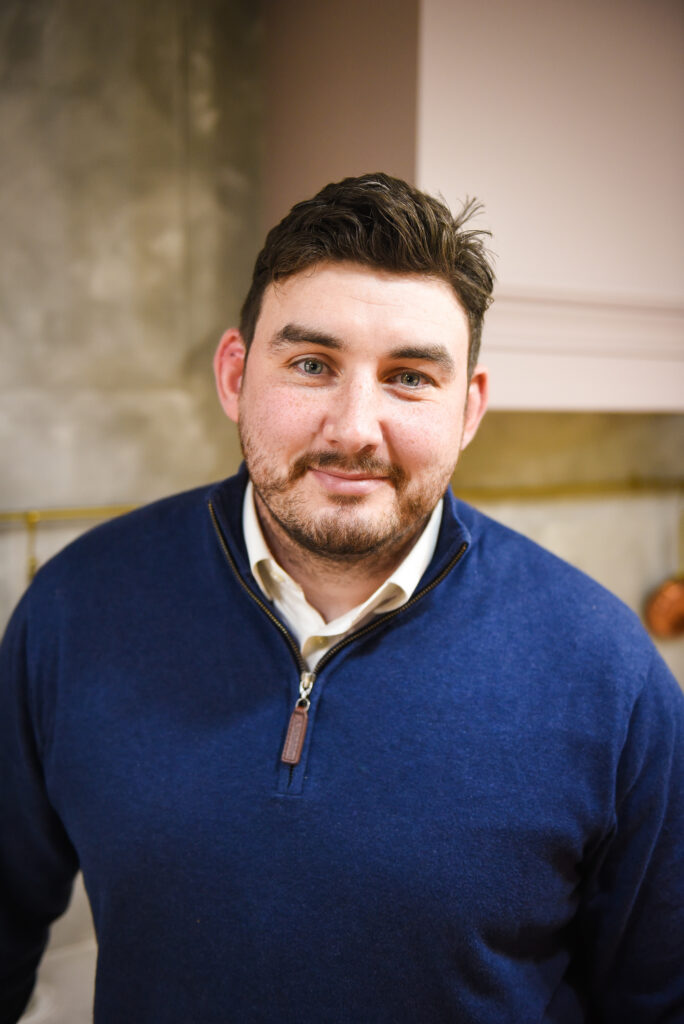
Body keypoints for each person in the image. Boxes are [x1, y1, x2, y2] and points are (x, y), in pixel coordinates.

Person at [1, 173, 682, 1024]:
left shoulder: (608, 673)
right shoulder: (75, 611)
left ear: (468, 410)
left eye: (409, 378)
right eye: (313, 364)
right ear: (235, 375)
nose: (355, 427)